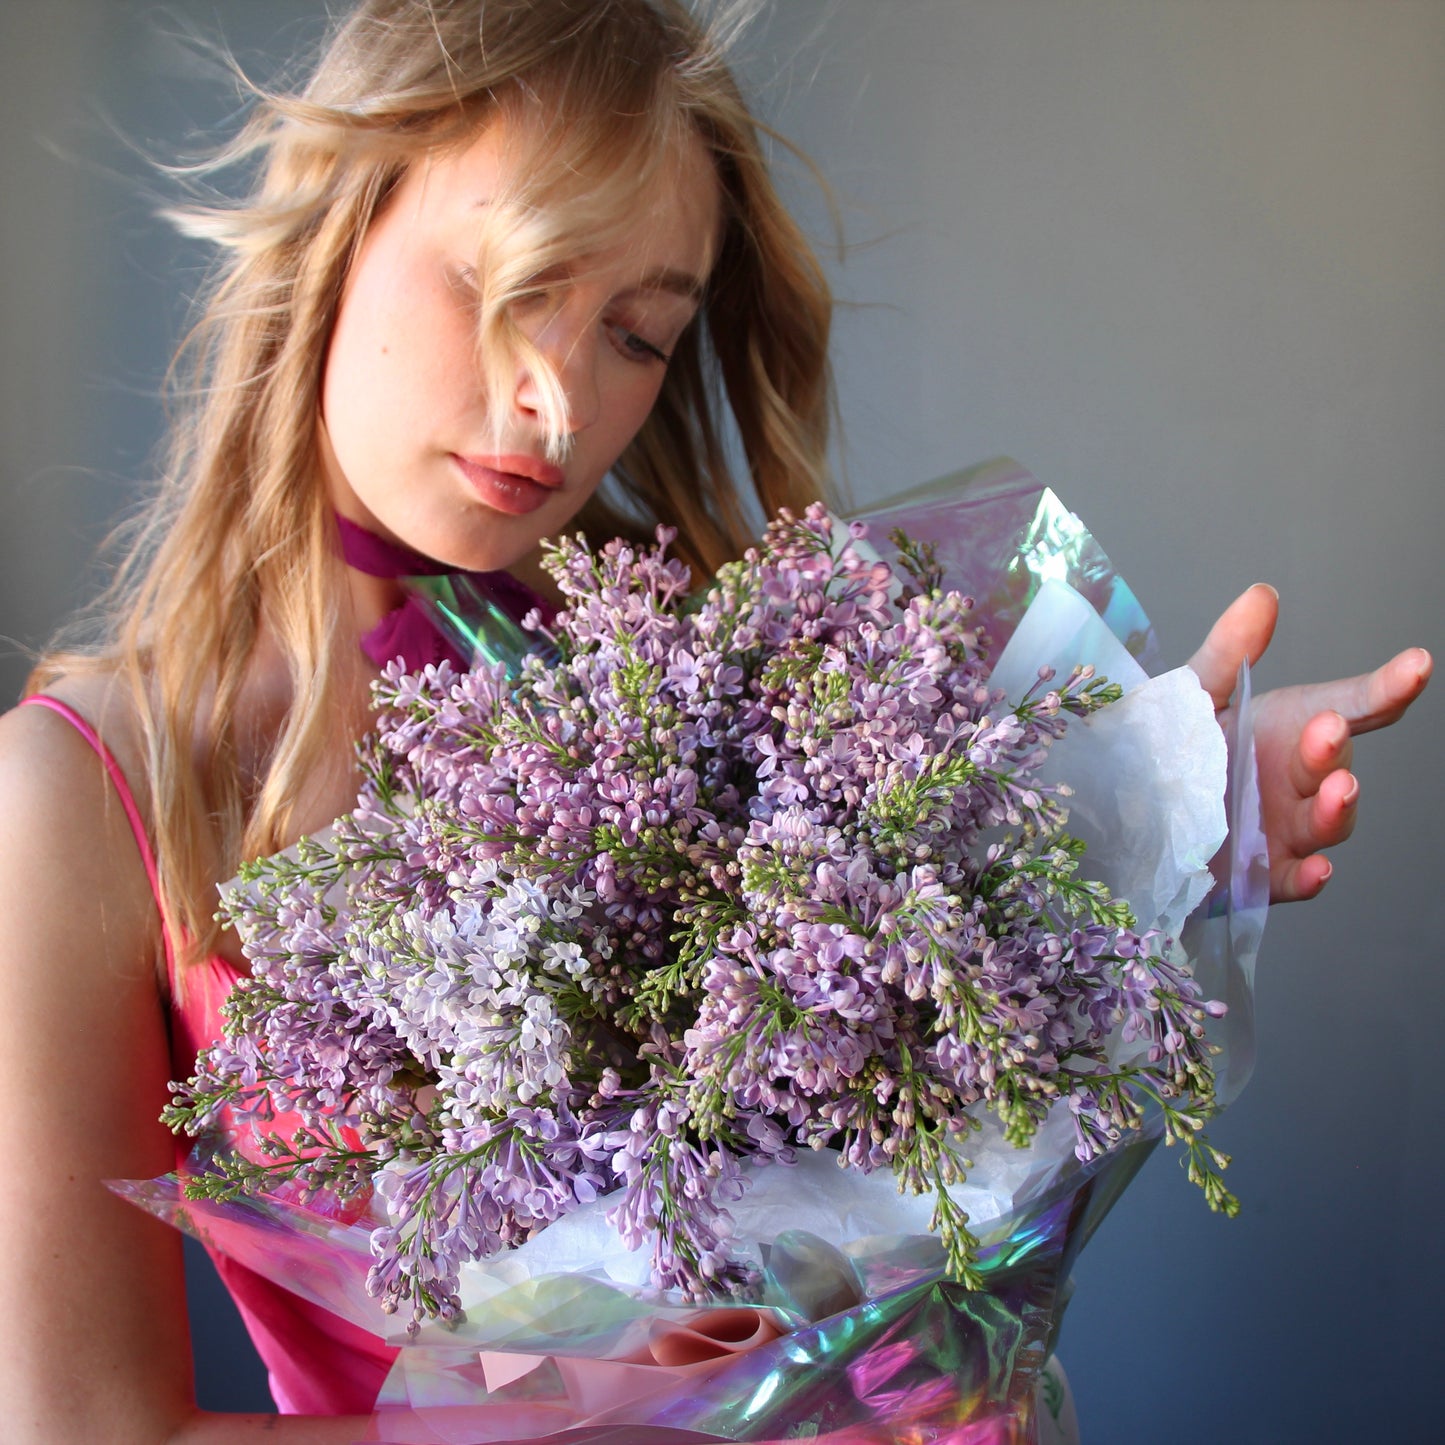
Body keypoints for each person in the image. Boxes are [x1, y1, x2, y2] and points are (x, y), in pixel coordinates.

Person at [0, 1, 1429, 1440]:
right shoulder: (88, 790)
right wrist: (598, 1412)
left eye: (635, 333)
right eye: (512, 286)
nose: (557, 400)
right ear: (334, 224)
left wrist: (1166, 792)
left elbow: (911, 1013)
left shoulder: (700, 650)